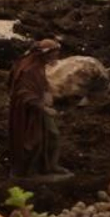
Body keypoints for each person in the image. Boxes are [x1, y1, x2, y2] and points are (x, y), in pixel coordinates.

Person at [8, 39, 64, 178]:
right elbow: (23, 93)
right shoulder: (28, 70)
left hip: (38, 108)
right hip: (28, 112)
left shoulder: (39, 66)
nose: (56, 58)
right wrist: (43, 108)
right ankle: (27, 172)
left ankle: (50, 166)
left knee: (52, 135)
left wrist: (46, 92)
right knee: (32, 140)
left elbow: (41, 83)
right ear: (45, 55)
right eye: (53, 55)